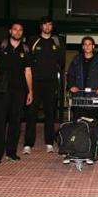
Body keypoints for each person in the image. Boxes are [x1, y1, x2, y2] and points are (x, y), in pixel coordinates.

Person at [0, 22, 33, 165]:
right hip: (2, 90)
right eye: (15, 29)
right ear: (10, 31)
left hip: (19, 91)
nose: (18, 32)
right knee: (0, 123)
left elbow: (28, 71)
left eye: (20, 30)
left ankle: (11, 152)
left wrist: (30, 91)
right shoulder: (1, 45)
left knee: (15, 123)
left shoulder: (25, 48)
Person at [23, 16, 66, 154]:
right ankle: (28, 144)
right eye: (45, 25)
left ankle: (49, 143)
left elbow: (61, 60)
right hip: (35, 82)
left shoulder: (57, 41)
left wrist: (52, 69)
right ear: (41, 27)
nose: (47, 27)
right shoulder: (32, 40)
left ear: (52, 27)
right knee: (31, 113)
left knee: (50, 114)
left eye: (50, 25)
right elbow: (27, 61)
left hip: (51, 82)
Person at [66, 36, 98, 120]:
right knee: (78, 123)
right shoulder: (76, 60)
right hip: (79, 97)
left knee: (93, 123)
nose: (87, 46)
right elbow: (70, 75)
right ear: (82, 47)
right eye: (85, 44)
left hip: (94, 97)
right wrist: (71, 85)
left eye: (90, 44)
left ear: (93, 46)